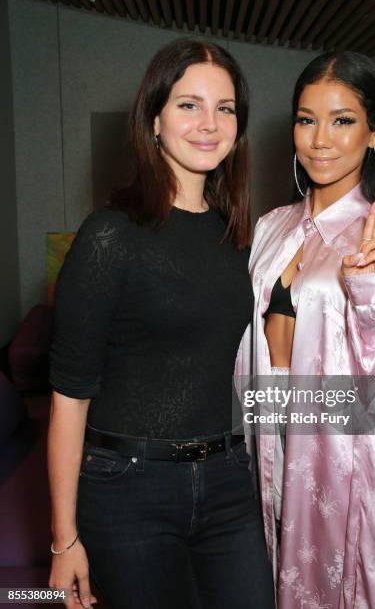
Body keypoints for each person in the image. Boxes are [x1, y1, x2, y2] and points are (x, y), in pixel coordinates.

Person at [48, 39, 275, 609]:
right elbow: (69, 398)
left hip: (228, 479)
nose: (209, 124)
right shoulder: (110, 233)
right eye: (188, 105)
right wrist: (62, 540)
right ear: (154, 119)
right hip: (129, 489)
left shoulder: (239, 240)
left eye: (225, 108)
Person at [236, 51, 375, 608]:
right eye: (306, 119)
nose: (320, 139)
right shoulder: (271, 228)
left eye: (342, 119)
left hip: (343, 476)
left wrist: (372, 310)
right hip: (264, 452)